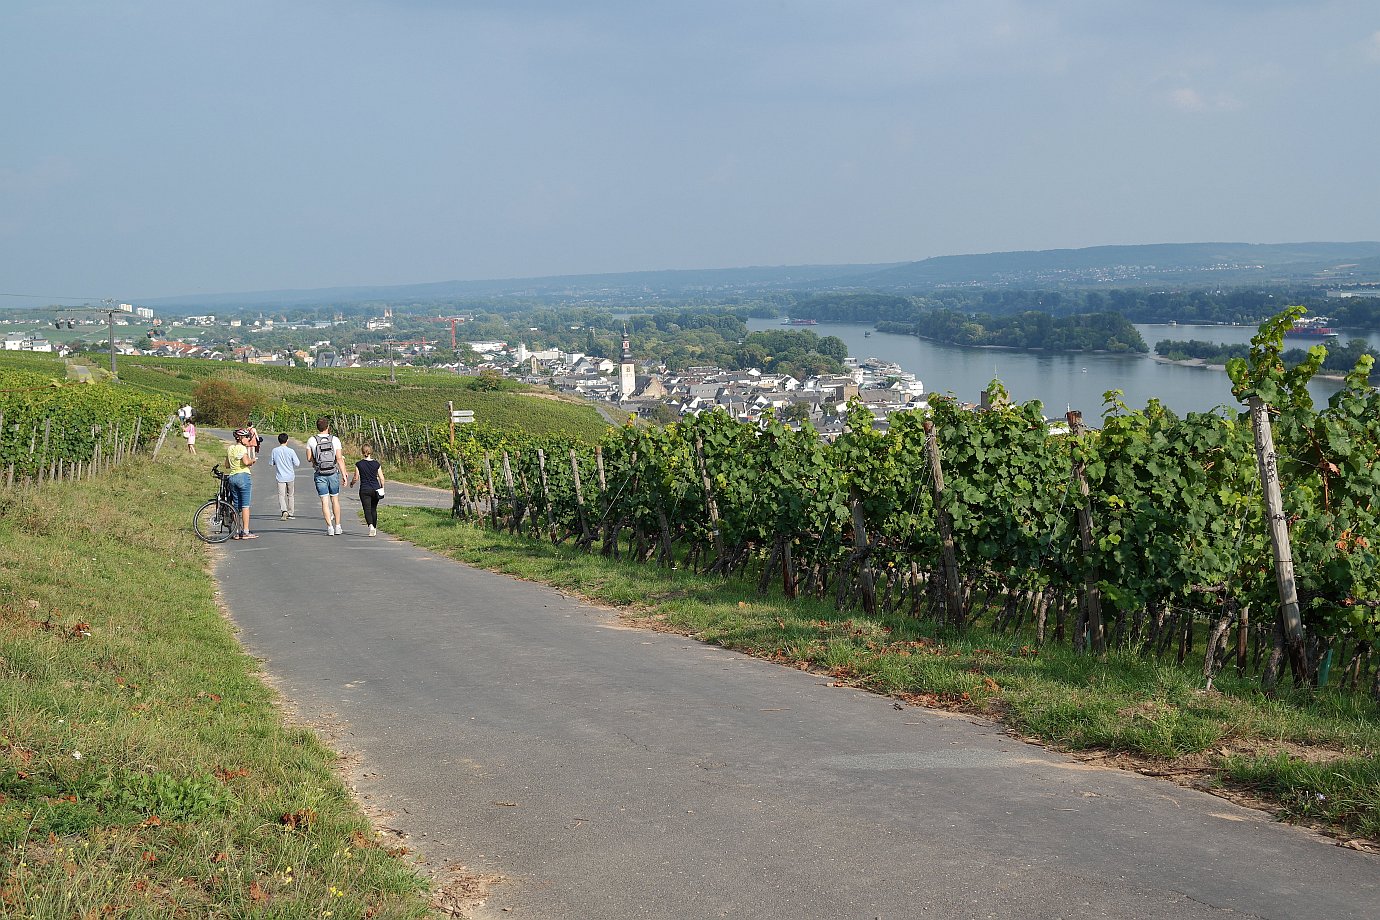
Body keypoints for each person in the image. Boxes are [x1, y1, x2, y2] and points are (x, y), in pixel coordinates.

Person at [306, 417, 346, 536]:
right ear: (328, 427)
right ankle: (338, 526)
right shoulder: (335, 440)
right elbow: (339, 458)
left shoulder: (311, 440)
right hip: (333, 473)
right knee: (335, 499)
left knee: (324, 501)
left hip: (320, 474)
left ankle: (330, 527)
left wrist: (315, 461)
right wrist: (344, 474)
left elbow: (309, 458)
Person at [226, 428, 258, 539]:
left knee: (236, 505)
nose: (248, 439)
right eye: (246, 437)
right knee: (245, 506)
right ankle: (245, 531)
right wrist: (253, 460)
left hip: (232, 477)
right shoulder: (242, 448)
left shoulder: (230, 448)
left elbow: (226, 464)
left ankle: (236, 531)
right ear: (241, 438)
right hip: (243, 476)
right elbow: (246, 462)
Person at [350, 444, 386, 537]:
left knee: (367, 509)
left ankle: (371, 526)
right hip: (375, 489)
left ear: (362, 452)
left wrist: (352, 483)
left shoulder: (359, 464)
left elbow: (356, 478)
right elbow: (382, 478)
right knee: (374, 509)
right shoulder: (376, 464)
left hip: (365, 489)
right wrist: (382, 487)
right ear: (371, 452)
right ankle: (374, 526)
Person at [268, 432, 300, 520]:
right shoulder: (291, 451)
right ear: (287, 440)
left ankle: (284, 510)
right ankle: (291, 512)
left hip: (280, 476)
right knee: (290, 495)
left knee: (281, 495)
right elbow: (297, 463)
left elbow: (271, 463)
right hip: (290, 476)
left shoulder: (274, 450)